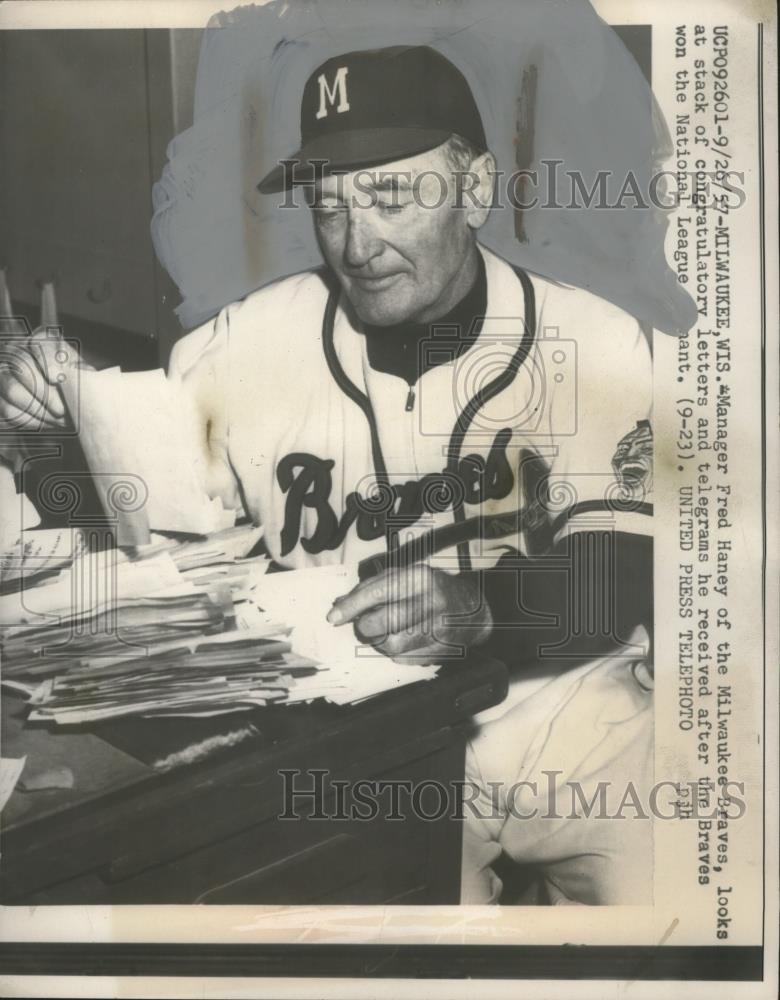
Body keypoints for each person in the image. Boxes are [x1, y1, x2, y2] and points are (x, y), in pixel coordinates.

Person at [0, 44, 654, 904]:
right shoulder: (238, 349)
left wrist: (479, 607)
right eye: (330, 203)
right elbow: (139, 553)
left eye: (390, 195)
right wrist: (51, 428)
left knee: (679, 922)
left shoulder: (595, 339)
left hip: (568, 711)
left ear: (477, 187)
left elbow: (625, 572)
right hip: (358, 752)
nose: (358, 242)